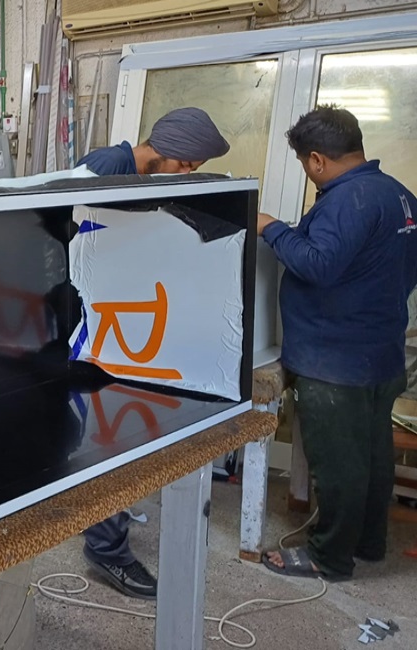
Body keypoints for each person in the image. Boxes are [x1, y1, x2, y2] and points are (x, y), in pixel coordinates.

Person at [74, 106, 231, 600]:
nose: (187, 174)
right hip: (99, 324)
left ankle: (105, 523)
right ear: (165, 151)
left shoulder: (148, 177)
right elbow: (75, 237)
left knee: (120, 434)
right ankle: (107, 549)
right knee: (107, 437)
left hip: (128, 322)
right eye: (185, 165)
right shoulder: (106, 167)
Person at [258, 105, 417, 581]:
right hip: (379, 351)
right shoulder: (399, 195)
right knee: (372, 454)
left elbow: (319, 264)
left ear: (317, 160)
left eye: (305, 165)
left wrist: (272, 227)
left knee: (338, 463)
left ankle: (328, 557)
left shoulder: (348, 199)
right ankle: (367, 542)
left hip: (335, 360)